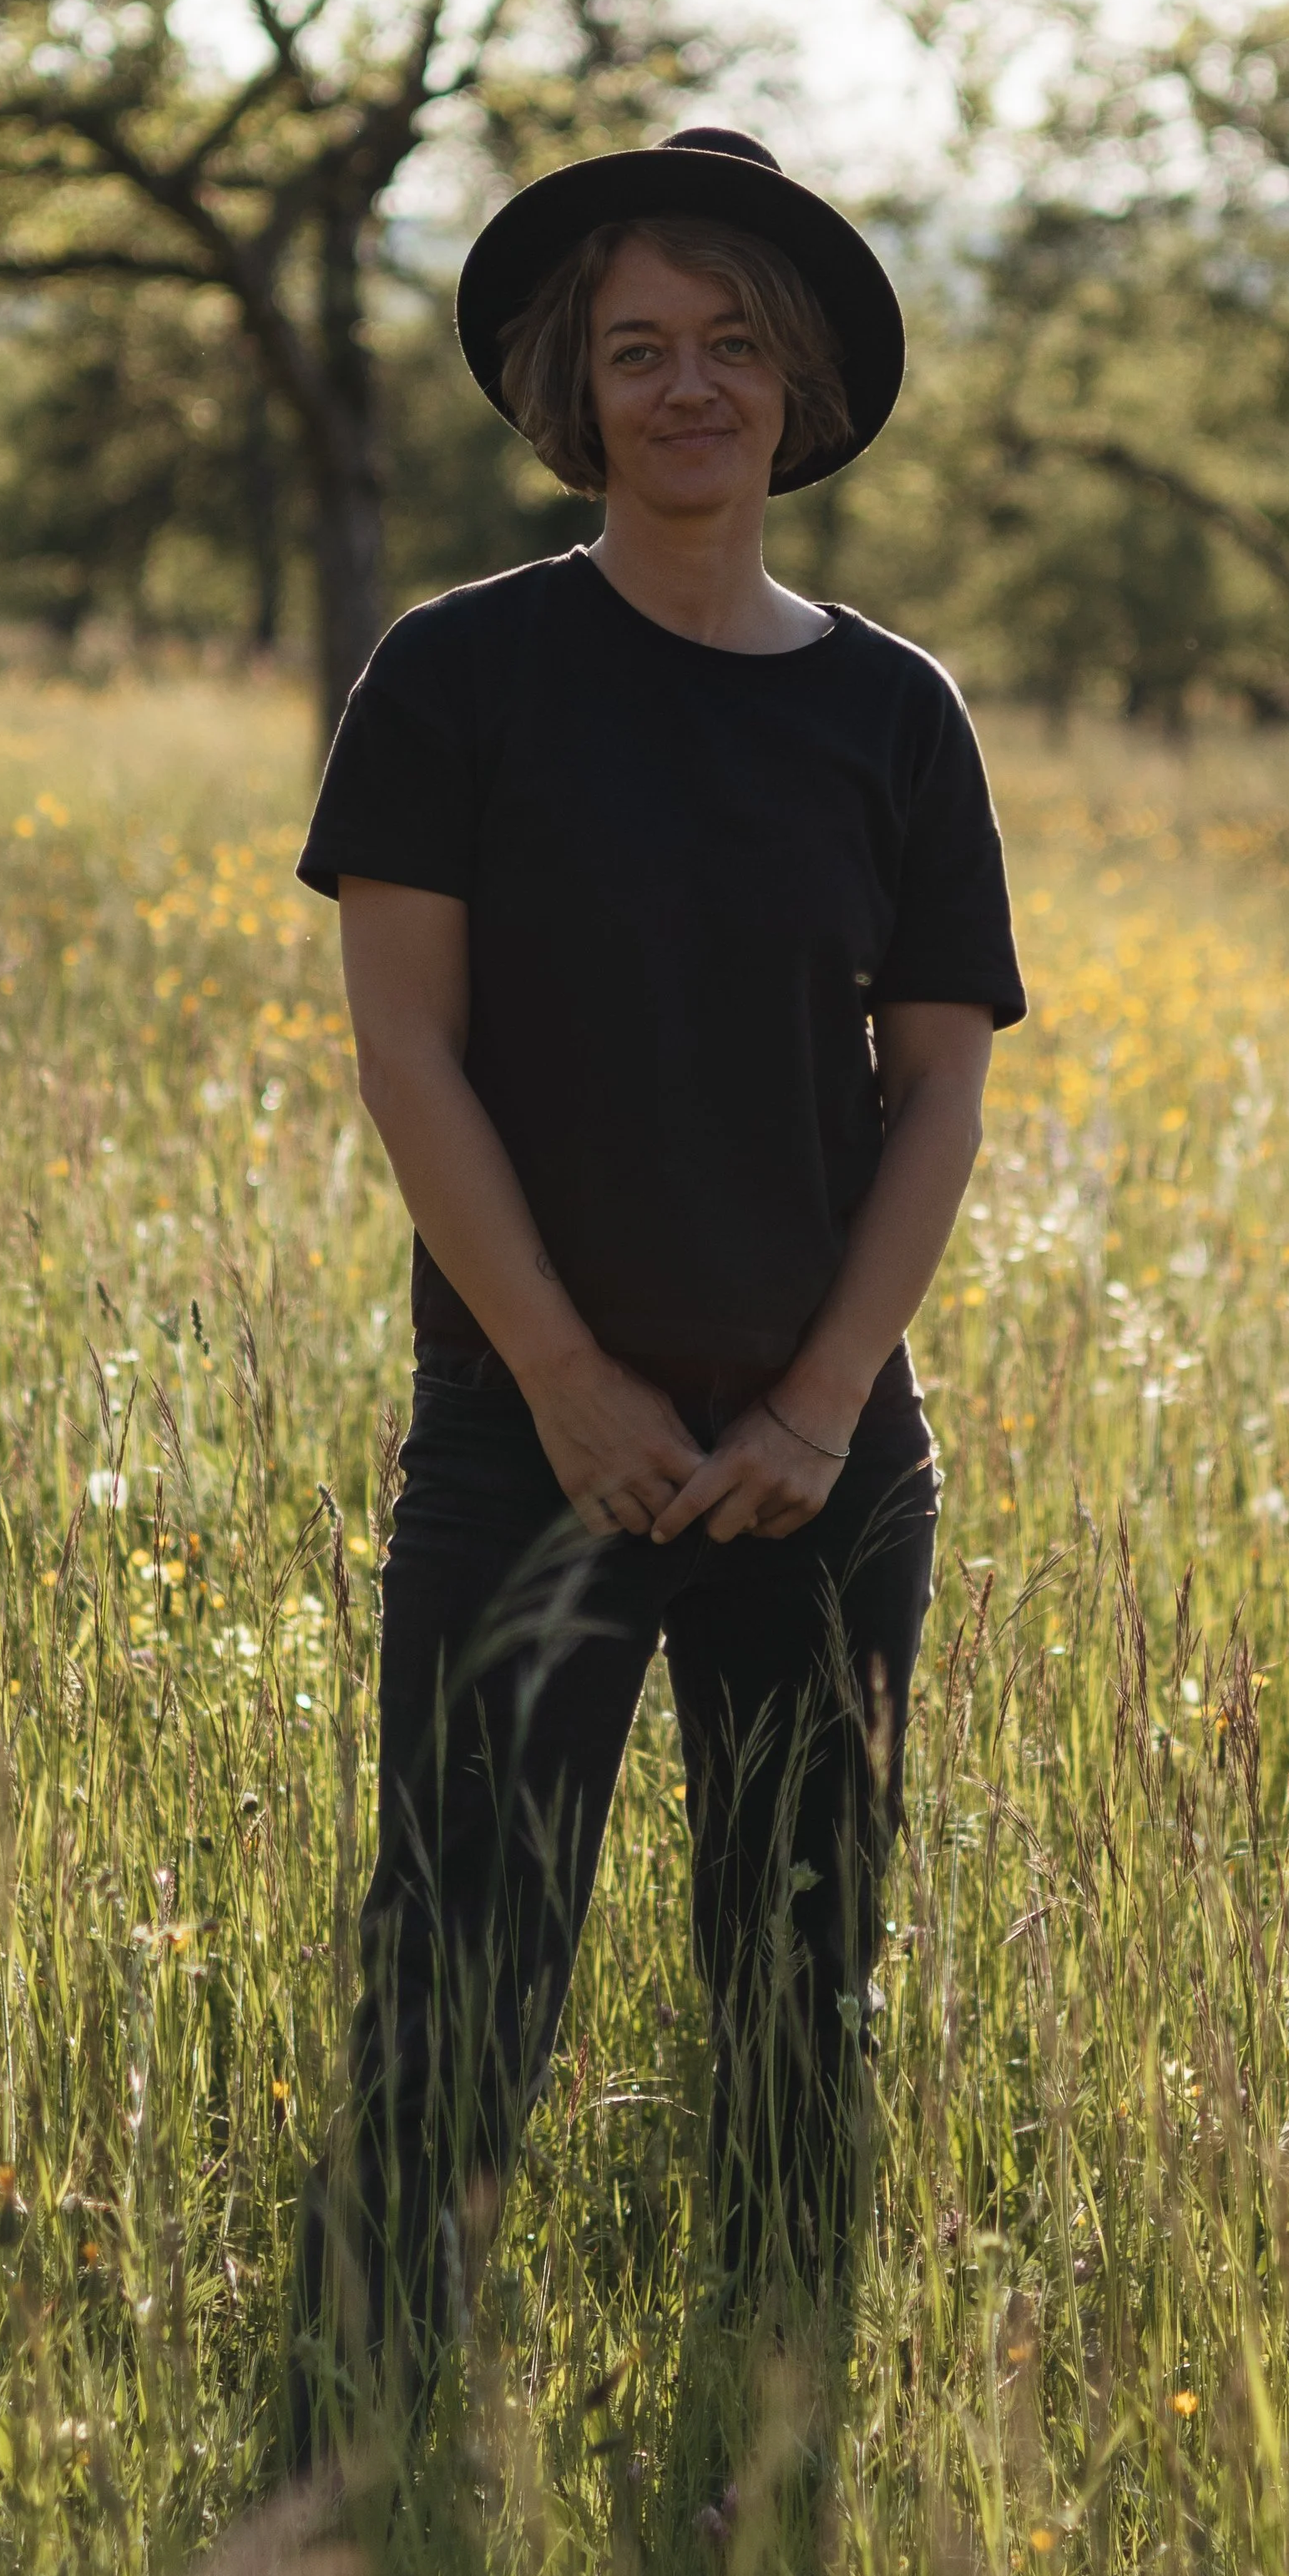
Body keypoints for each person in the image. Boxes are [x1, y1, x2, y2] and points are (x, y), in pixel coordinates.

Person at [284, 126, 1025, 2457]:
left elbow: (932, 1092)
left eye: (728, 346)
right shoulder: (458, 674)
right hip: (531, 1441)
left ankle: (758, 2450)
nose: (685, 387)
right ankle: (362, 2462)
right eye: (636, 350)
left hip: (823, 1464)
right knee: (461, 1975)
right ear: (567, 391)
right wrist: (569, 1380)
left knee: (799, 1983)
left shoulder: (893, 713)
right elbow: (405, 1047)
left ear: (794, 387)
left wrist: (816, 1406)